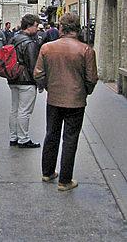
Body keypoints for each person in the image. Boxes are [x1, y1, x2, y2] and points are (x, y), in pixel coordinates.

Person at [34, 13, 98, 191]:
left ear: (61, 28)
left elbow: (38, 73)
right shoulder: (86, 50)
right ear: (77, 29)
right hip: (76, 101)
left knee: (51, 134)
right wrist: (84, 91)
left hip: (54, 99)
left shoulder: (47, 48)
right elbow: (92, 78)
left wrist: (49, 87)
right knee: (70, 139)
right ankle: (65, 180)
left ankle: (47, 172)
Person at [8, 14, 41, 148]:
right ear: (29, 26)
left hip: (13, 78)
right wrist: (39, 82)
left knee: (14, 109)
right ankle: (24, 139)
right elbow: (33, 65)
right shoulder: (29, 43)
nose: (37, 29)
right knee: (24, 111)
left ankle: (13, 137)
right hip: (26, 80)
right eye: (36, 26)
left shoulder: (13, 39)